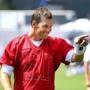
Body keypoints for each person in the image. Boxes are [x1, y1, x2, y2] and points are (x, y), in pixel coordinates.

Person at [0, 7, 88, 90]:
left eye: (51, 26)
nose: (49, 30)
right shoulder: (16, 44)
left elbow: (76, 58)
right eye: (45, 26)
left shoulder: (57, 44)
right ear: (34, 24)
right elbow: (5, 72)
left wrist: (81, 47)